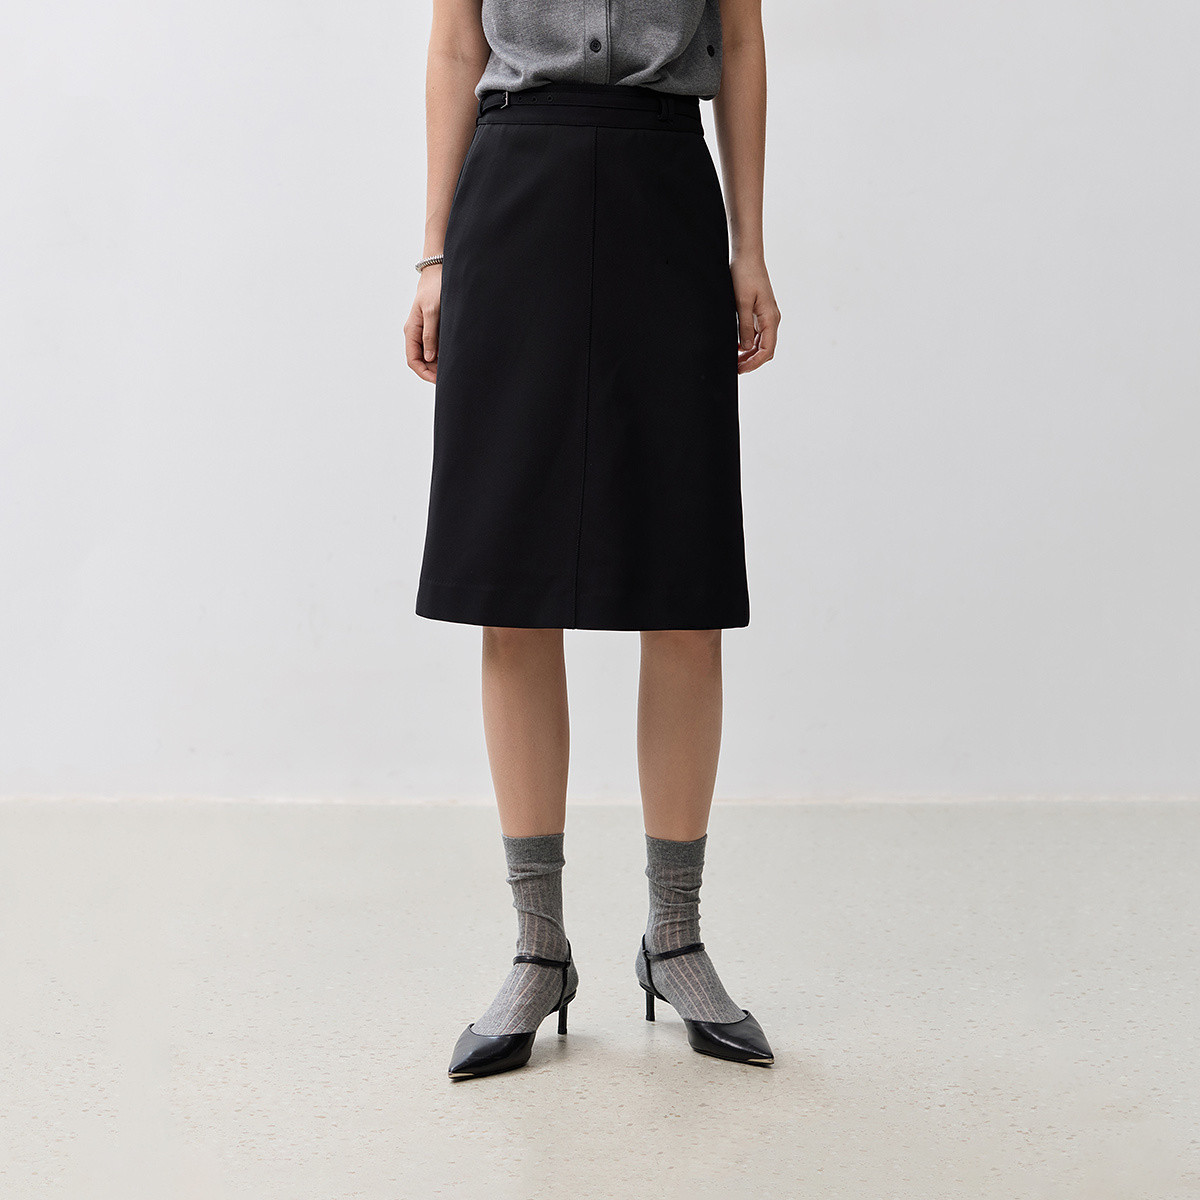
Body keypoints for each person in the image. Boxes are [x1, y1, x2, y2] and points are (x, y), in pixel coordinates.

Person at [404, 0, 781, 1080]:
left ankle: (677, 940)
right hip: (513, 192)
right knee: (513, 590)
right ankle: (539, 951)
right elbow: (456, 44)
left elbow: (740, 41)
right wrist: (432, 257)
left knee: (684, 591)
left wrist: (749, 247)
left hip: (665, 192)